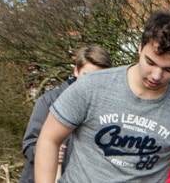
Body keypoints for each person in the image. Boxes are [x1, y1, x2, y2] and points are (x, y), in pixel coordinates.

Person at [33, 8, 170, 182]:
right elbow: (48, 139)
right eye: (150, 62)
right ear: (140, 47)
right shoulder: (91, 87)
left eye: (169, 69)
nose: (156, 75)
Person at [19, 45, 111, 183]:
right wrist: (47, 153)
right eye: (87, 75)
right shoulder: (49, 101)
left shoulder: (108, 108)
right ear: (76, 71)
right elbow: (29, 144)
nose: (91, 83)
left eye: (98, 77)